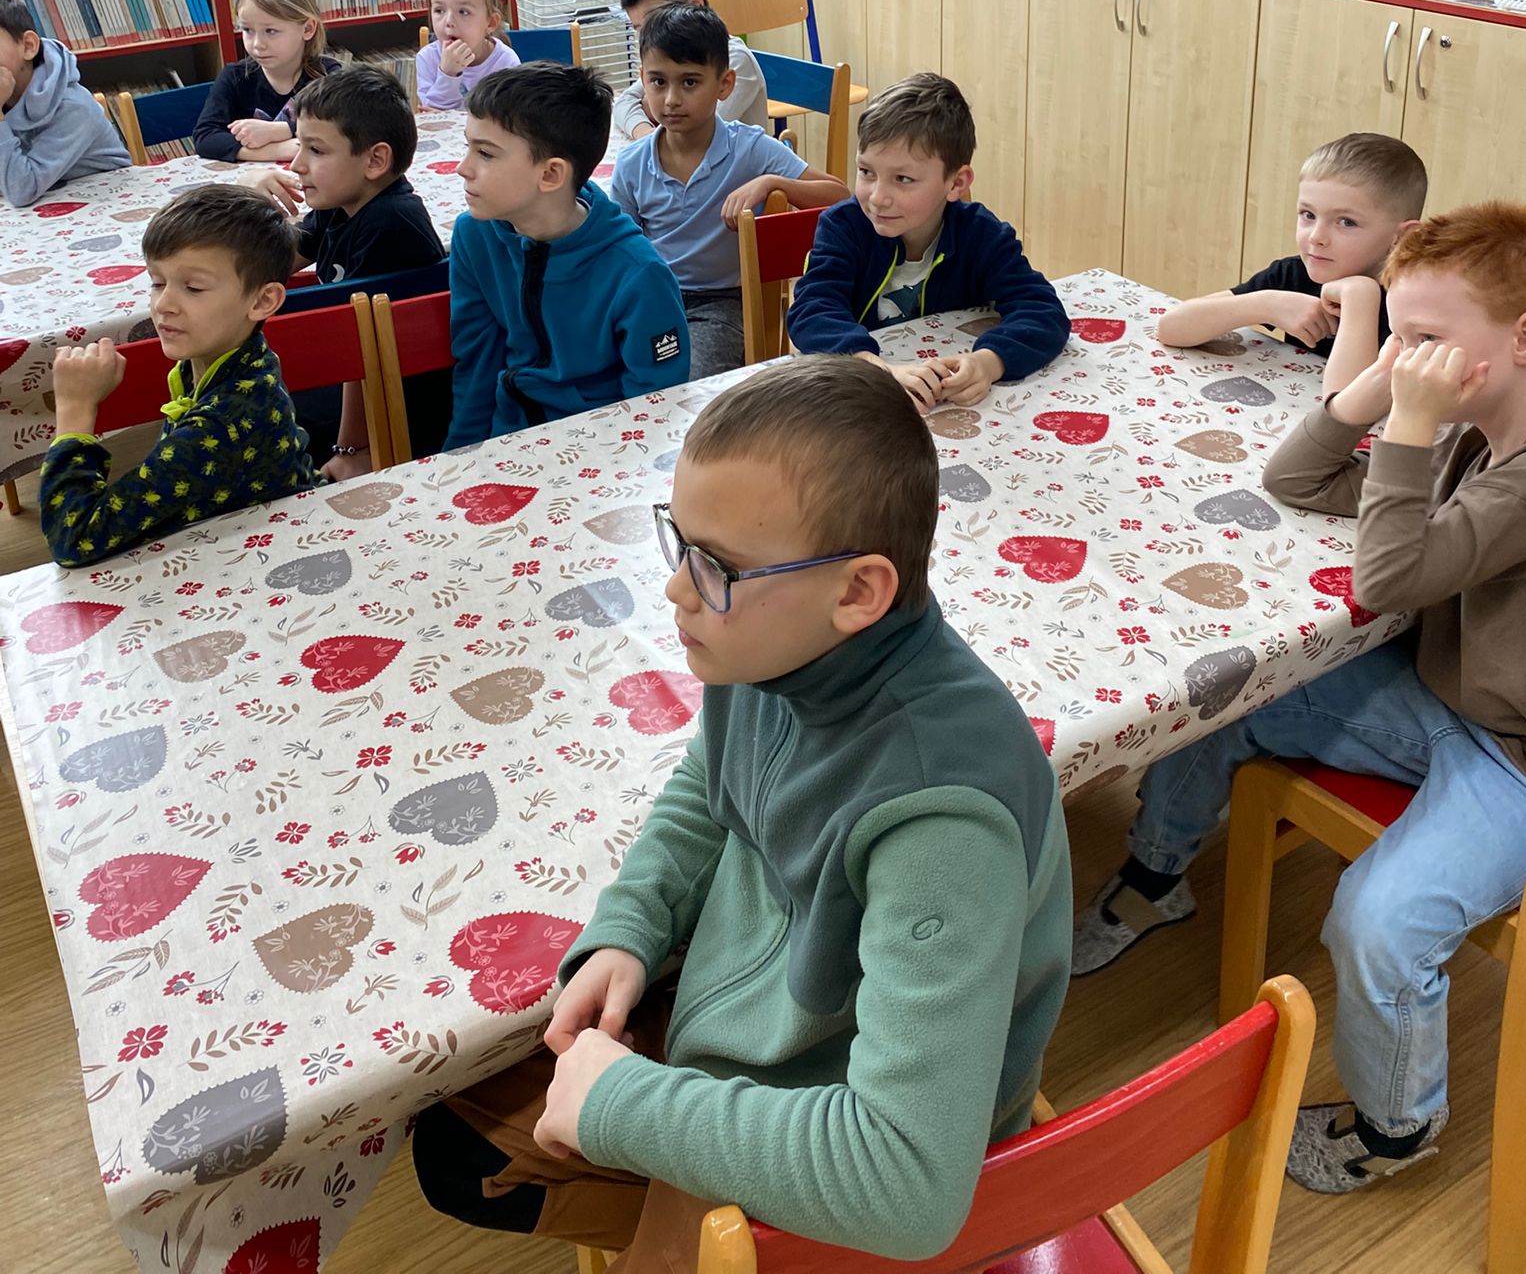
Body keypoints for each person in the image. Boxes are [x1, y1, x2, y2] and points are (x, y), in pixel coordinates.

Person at [411, 355, 1071, 1262]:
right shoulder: (778, 649)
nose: (678, 591)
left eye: (716, 566)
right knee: (452, 1150)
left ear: (858, 591)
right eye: (679, 543)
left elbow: (908, 1184)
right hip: (752, 1035)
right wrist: (633, 925)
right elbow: (709, 781)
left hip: (844, 1148)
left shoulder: (943, 822)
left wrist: (622, 1105)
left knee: (511, 1149)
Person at [1071, 201, 1526, 1196]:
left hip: (1518, 761)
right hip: (1442, 700)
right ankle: (1157, 876)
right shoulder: (1474, 428)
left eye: (1426, 340)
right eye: (1401, 336)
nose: (1408, 362)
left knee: (1378, 922)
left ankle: (1397, 1127)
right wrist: (1372, 392)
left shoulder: (1521, 471)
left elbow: (1391, 574)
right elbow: (1296, 478)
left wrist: (1408, 421)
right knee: (1237, 692)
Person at [39, 184, 317, 565]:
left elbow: (75, 538)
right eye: (157, 282)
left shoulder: (224, 422)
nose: (163, 304)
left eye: (193, 287)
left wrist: (74, 410)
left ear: (262, 300)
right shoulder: (228, 356)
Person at [787, 72, 1068, 411]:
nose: (877, 197)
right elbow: (812, 311)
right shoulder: (843, 227)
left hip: (950, 405)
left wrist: (988, 362)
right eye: (866, 172)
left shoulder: (981, 234)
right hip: (861, 402)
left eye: (903, 179)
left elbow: (1042, 310)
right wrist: (878, 371)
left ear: (956, 183)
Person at [445, 62, 689, 449]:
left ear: (551, 175)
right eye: (468, 147)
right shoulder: (475, 235)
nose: (463, 168)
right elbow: (477, 362)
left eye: (485, 154)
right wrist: (461, 455)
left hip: (608, 450)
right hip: (510, 441)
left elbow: (655, 410)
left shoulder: (638, 274)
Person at [610, 5, 846, 379]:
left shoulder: (750, 148)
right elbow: (619, 251)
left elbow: (840, 196)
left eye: (690, 82)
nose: (671, 99)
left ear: (725, 84)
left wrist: (774, 183)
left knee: (690, 383)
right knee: (617, 377)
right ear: (642, 79)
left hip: (723, 303)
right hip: (652, 298)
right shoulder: (632, 163)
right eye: (658, 82)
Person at [249, 66, 446, 480]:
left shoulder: (391, 222)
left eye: (316, 150)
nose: (297, 164)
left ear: (375, 160)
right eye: (300, 146)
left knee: (254, 425)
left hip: (397, 405)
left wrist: (352, 450)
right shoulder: (341, 202)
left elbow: (364, 348)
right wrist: (253, 206)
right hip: (353, 372)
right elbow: (273, 262)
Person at [1156, 131, 1427, 395]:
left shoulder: (1418, 307)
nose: (1316, 237)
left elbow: (1345, 406)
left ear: (1402, 236)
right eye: (1308, 214)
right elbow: (1171, 327)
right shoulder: (1294, 274)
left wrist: (1359, 297)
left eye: (1347, 222)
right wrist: (1267, 304)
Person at [612, 0, 768, 141]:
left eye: (655, 19)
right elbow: (624, 103)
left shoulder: (734, 59)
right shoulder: (669, 59)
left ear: (694, 3)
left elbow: (694, 136)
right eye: (640, 29)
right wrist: (645, 133)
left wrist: (647, 105)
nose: (650, 34)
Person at [193, 0, 338, 163]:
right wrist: (275, 151)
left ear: (308, 29)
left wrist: (279, 130)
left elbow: (343, 125)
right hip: (253, 180)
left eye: (270, 31)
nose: (257, 44)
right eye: (247, 30)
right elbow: (205, 136)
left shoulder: (329, 76)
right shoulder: (234, 77)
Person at [0, 0, 129, 205]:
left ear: (28, 46)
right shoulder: (5, 98)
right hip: (44, 206)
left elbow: (22, 190)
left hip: (107, 203)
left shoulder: (73, 106)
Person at [416, 0, 520, 111]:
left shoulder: (505, 62)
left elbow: (507, 118)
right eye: (439, 10)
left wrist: (451, 116)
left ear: (491, 23)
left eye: (463, 12)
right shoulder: (427, 58)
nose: (449, 21)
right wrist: (448, 73)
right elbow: (431, 116)